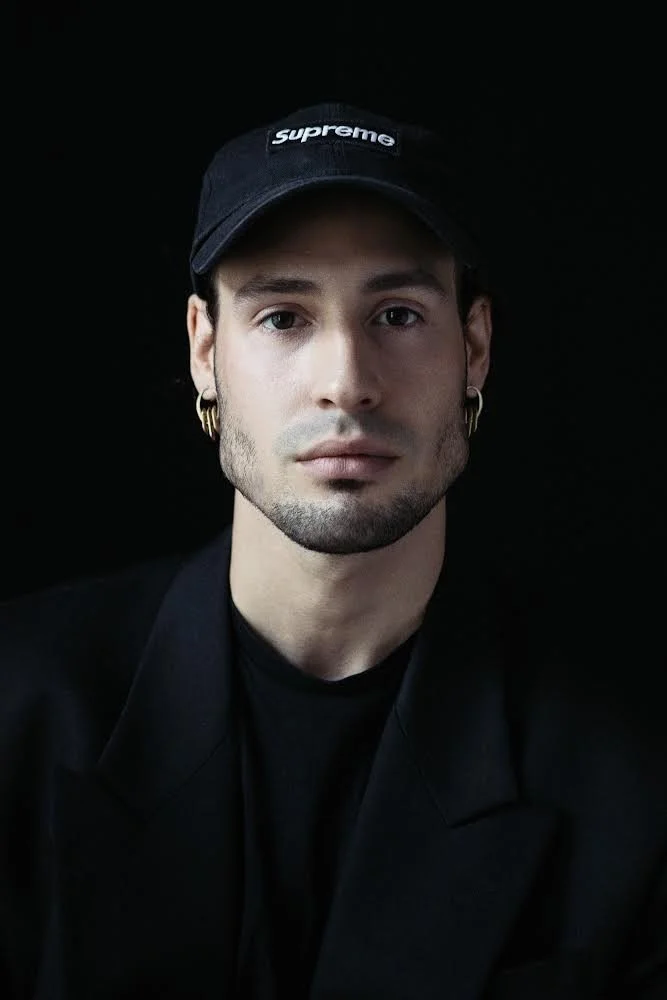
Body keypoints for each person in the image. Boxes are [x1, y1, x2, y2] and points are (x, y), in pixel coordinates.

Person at [1, 102, 665, 1000]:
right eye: (283, 317)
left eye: (397, 313)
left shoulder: (627, 769)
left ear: (474, 348)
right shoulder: (20, 709)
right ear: (205, 351)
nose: (346, 382)